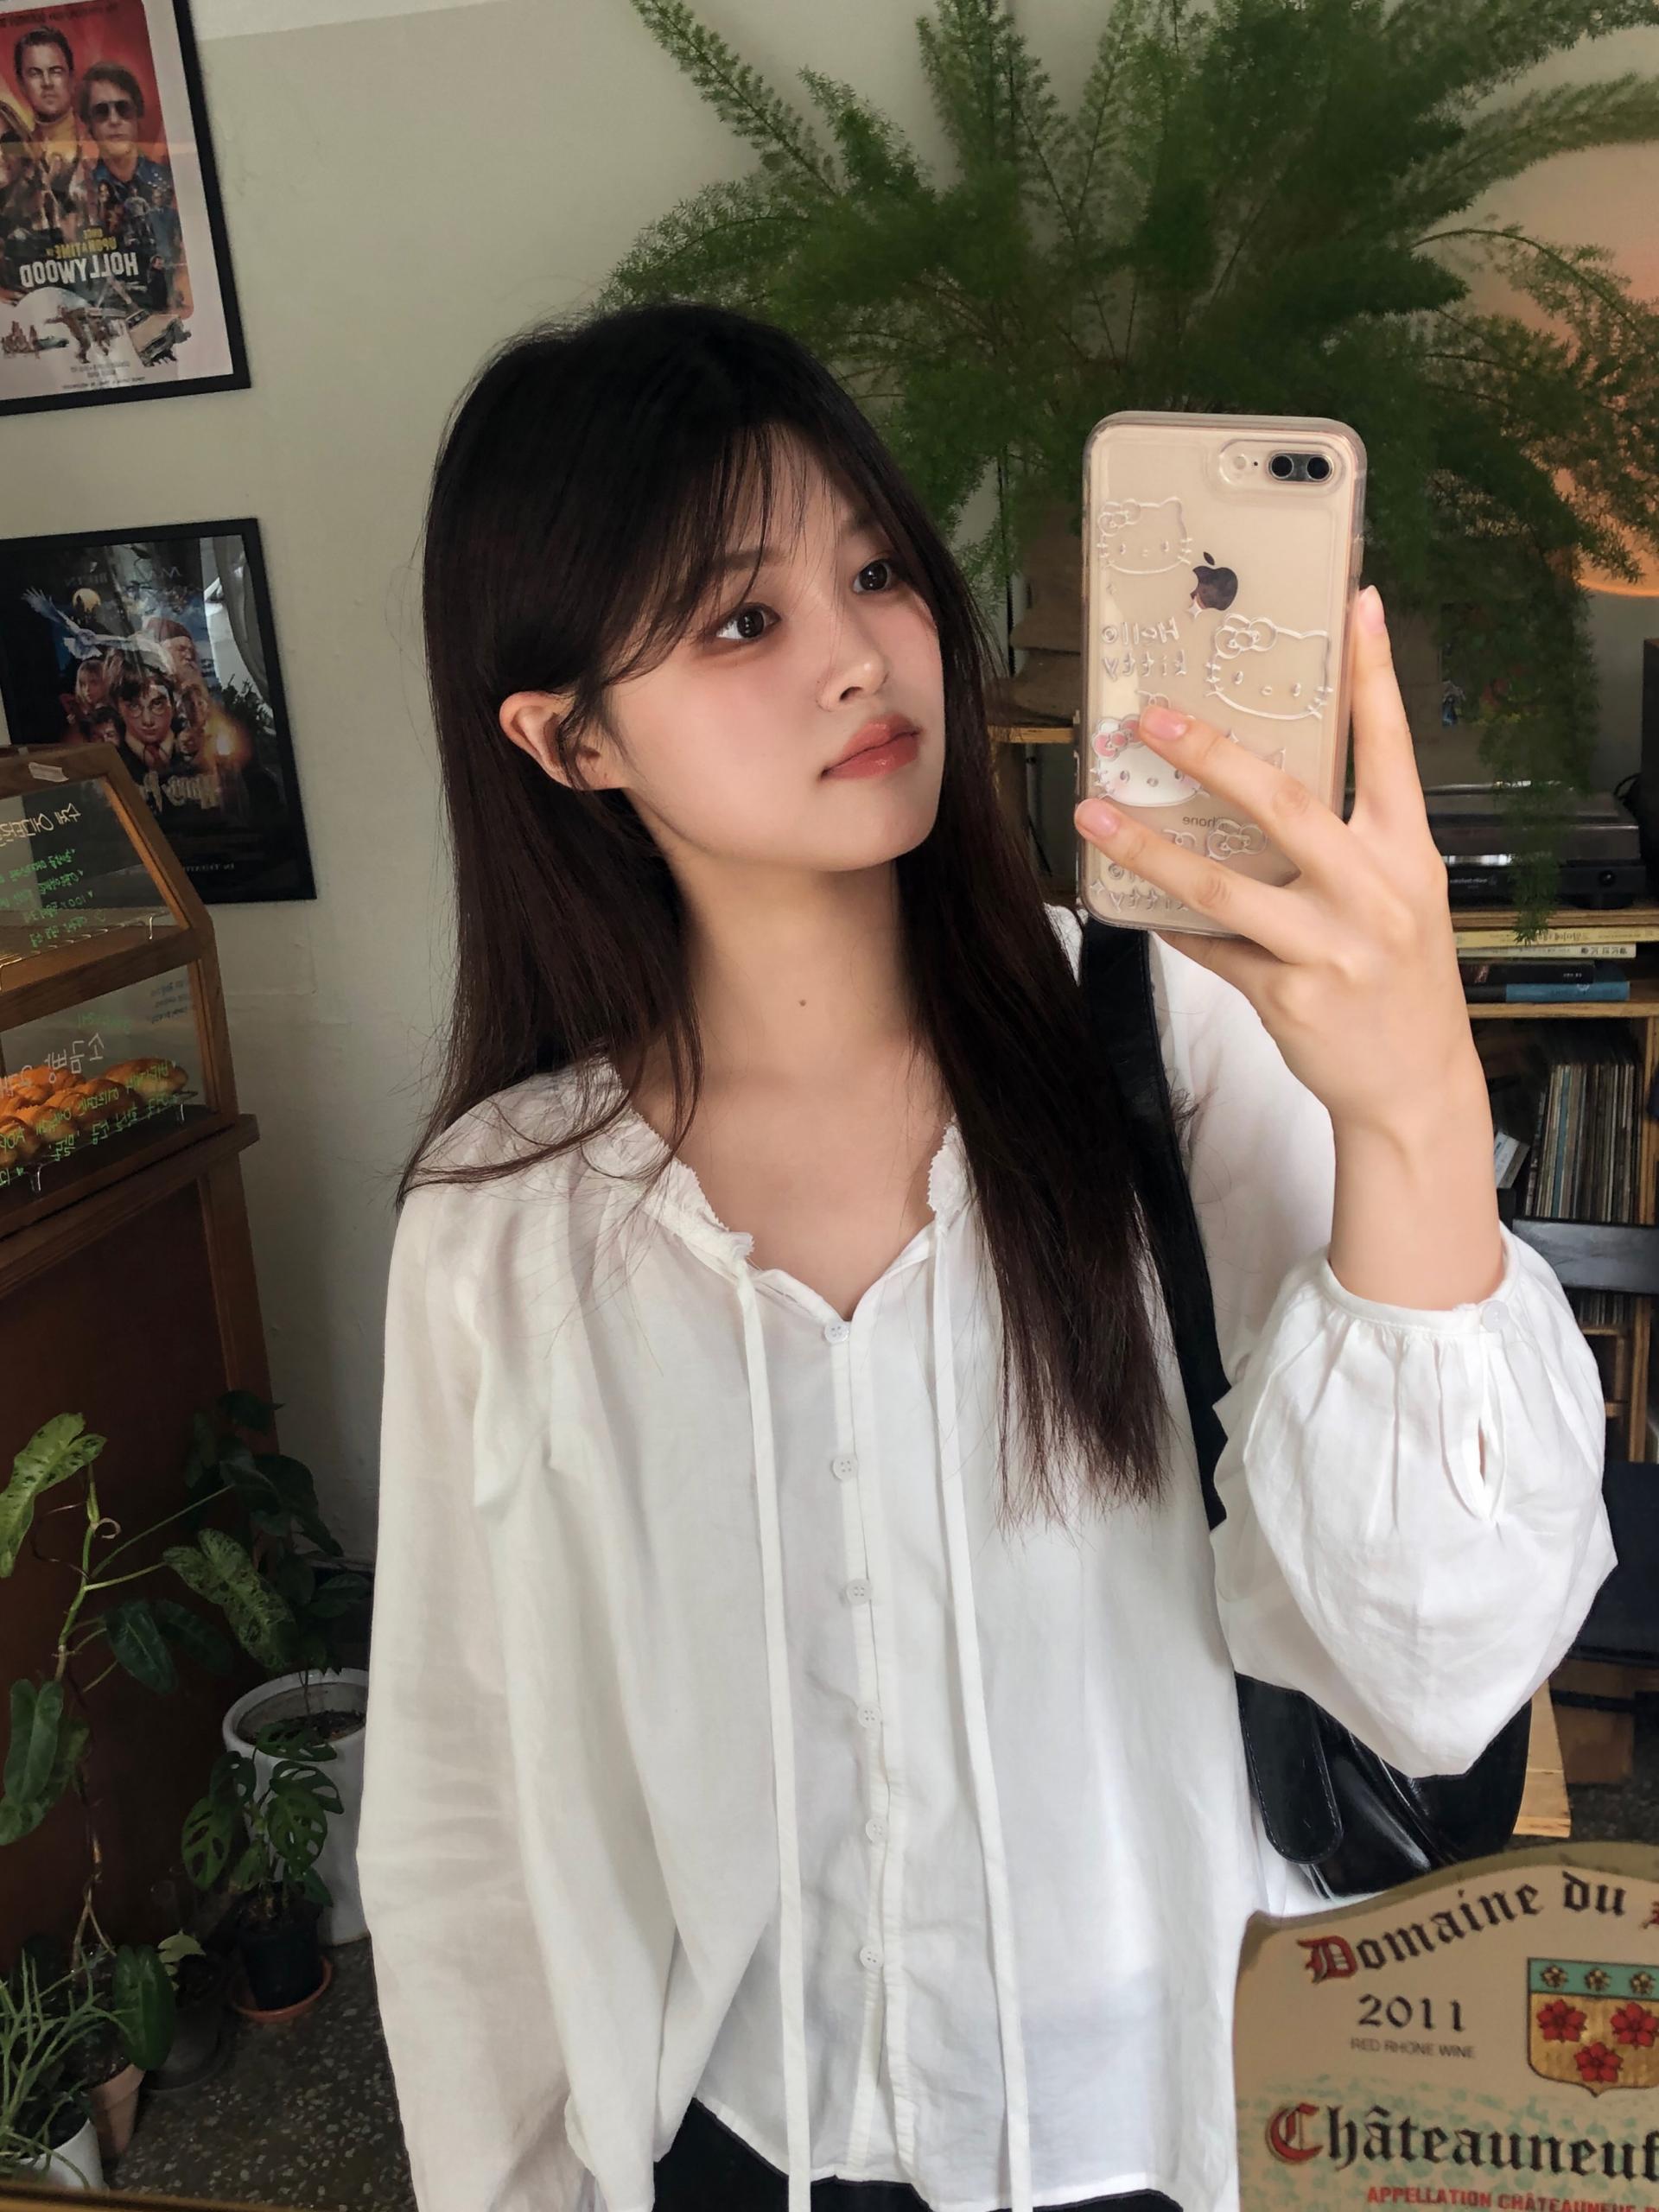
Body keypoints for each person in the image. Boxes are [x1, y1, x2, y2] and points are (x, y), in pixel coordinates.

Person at [355, 302, 1617, 2212]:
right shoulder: (506, 1223)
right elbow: (469, 1815)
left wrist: (1419, 1105)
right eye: (742, 618)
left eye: (878, 569)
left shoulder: (1183, 1046)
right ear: (570, 736)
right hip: (746, 2151)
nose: (861, 654)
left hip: (1183, 2133)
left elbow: (1439, 1670)